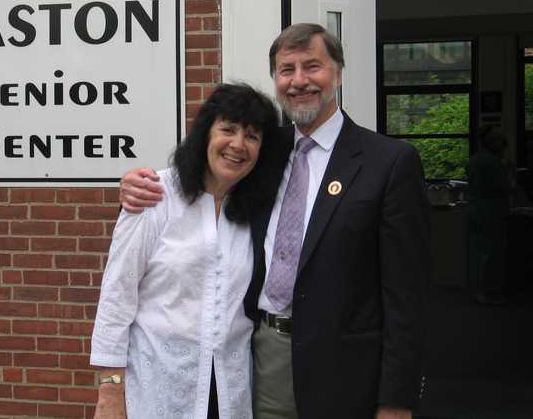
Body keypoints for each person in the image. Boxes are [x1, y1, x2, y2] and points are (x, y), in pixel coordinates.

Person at [120, 24, 431, 419]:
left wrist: (396, 401)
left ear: (337, 72)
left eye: (312, 66)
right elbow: (202, 180)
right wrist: (135, 187)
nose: (299, 80)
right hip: (262, 359)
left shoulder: (389, 162)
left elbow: (407, 297)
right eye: (286, 70)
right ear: (276, 80)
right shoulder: (261, 150)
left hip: (348, 371)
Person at [90, 84, 280, 419]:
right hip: (156, 385)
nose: (238, 145)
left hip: (230, 389)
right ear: (205, 134)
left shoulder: (256, 211)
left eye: (252, 136)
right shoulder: (154, 196)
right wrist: (110, 389)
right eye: (228, 129)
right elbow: (117, 297)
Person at [467, 126, 511, 304]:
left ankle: (479, 290)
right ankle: (487, 291)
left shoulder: (475, 159)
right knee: (491, 253)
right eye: (497, 139)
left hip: (477, 208)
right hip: (491, 211)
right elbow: (506, 187)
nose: (501, 143)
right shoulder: (493, 162)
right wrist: (511, 173)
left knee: (480, 251)